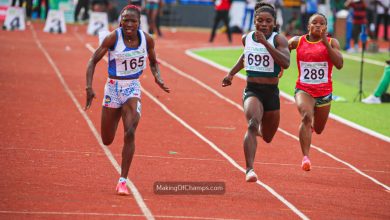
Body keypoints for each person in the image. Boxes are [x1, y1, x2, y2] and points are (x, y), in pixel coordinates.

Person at [84, 4, 170, 195]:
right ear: (120, 21)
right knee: (107, 139)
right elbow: (92, 61)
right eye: (125, 20)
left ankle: (123, 180)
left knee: (130, 131)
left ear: (139, 23)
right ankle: (101, 33)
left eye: (133, 21)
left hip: (132, 87)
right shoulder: (114, 37)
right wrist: (89, 87)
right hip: (113, 88)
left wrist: (158, 77)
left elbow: (154, 62)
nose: (129, 24)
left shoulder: (147, 39)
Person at [222, 2, 290, 182]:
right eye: (260, 21)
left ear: (274, 23)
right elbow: (245, 56)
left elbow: (286, 63)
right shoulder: (247, 38)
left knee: (267, 137)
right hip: (252, 90)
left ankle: (260, 128)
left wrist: (265, 44)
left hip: (272, 93)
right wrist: (231, 74)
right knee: (252, 124)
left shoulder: (279, 40)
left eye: (268, 21)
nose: (264, 24)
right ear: (254, 22)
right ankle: (249, 169)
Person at [288, 13, 343, 171]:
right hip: (303, 89)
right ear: (308, 26)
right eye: (314, 23)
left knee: (318, 129)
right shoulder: (298, 41)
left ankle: (310, 129)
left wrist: (325, 42)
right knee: (306, 116)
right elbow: (284, 48)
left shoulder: (333, 42)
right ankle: (306, 157)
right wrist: (280, 69)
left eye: (322, 23)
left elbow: (339, 64)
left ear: (326, 27)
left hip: (324, 93)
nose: (318, 25)